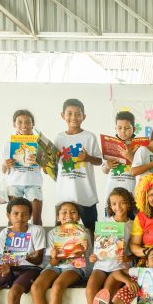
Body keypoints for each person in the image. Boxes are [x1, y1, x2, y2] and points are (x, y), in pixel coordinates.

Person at [29, 202, 89, 304]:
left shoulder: (83, 232)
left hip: (74, 267)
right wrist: (54, 257)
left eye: (73, 212)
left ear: (79, 216)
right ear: (58, 217)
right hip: (55, 267)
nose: (68, 215)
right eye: (64, 212)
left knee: (57, 286)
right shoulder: (53, 233)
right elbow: (53, 263)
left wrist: (84, 248)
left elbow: (84, 258)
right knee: (36, 288)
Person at [87, 187, 135, 304]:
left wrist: (128, 258)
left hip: (119, 268)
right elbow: (98, 248)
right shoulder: (105, 222)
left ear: (129, 204)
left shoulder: (133, 226)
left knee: (106, 293)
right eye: (114, 204)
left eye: (122, 203)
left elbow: (134, 251)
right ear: (110, 205)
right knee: (90, 290)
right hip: (101, 264)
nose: (118, 207)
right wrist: (92, 256)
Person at [55, 98, 103, 231]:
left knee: (91, 228)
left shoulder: (89, 137)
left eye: (78, 114)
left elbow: (99, 161)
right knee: (62, 231)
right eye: (69, 113)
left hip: (85, 193)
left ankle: (93, 251)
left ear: (84, 116)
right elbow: (53, 162)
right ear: (62, 115)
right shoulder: (59, 138)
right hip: (64, 193)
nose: (73, 117)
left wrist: (87, 158)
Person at [1, 109, 43, 225]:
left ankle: (37, 242)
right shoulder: (8, 144)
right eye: (19, 122)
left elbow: (47, 168)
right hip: (14, 183)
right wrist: (6, 164)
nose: (24, 125)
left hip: (34, 183)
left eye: (27, 122)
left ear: (33, 124)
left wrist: (39, 161)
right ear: (14, 124)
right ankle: (12, 243)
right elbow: (4, 170)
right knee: (13, 220)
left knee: (36, 219)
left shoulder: (40, 143)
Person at [101, 110, 138, 207]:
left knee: (132, 219)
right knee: (112, 220)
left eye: (127, 128)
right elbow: (104, 170)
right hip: (112, 191)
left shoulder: (139, 146)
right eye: (119, 128)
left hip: (132, 192)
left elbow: (144, 169)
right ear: (115, 128)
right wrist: (107, 166)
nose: (123, 131)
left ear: (133, 128)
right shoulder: (109, 145)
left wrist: (130, 157)